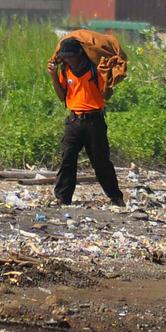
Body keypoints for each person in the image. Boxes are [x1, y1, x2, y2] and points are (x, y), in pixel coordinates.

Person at [48, 37, 125, 207]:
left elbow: (106, 96)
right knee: (67, 159)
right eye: (65, 57)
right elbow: (62, 97)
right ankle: (62, 198)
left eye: (71, 56)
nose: (68, 59)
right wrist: (53, 76)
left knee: (101, 162)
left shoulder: (95, 70)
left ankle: (116, 197)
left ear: (80, 54)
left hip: (94, 121)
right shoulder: (65, 70)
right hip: (74, 121)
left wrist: (106, 81)